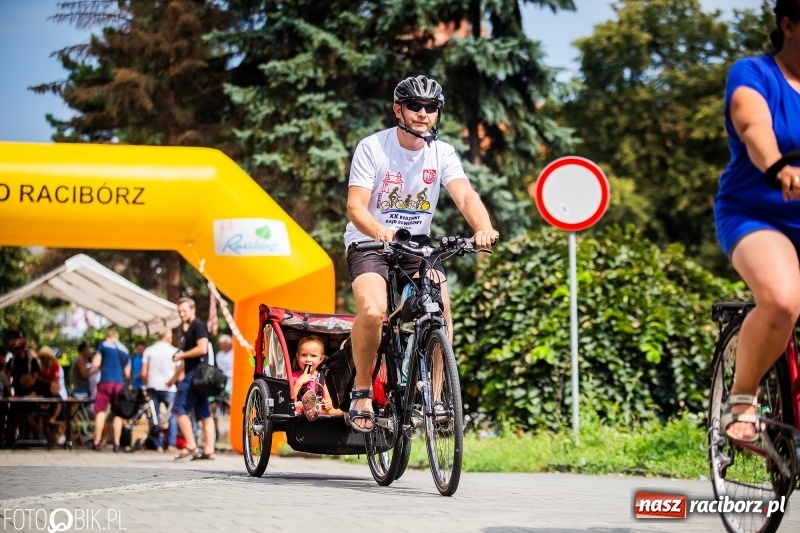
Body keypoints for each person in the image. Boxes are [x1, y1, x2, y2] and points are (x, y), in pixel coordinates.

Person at [344, 74, 499, 432]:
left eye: (430, 108)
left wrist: (482, 228)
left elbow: (464, 196)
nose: (423, 113)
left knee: (441, 310)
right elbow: (356, 207)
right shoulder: (373, 148)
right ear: (398, 109)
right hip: (370, 241)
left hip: (416, 245)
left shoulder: (442, 152)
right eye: (415, 105)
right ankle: (363, 390)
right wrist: (380, 230)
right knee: (373, 310)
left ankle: (436, 397)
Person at [713, 0, 800, 443]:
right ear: (788, 24)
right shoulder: (754, 74)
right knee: (783, 301)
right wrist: (779, 167)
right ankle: (742, 399)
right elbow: (755, 130)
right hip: (757, 213)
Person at [170, 297, 216, 460]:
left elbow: (202, 349)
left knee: (178, 408)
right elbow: (187, 359)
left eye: (184, 311)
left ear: (192, 310)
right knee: (204, 413)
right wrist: (173, 377)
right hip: (197, 375)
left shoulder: (198, 326)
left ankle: (190, 445)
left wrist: (182, 354)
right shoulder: (188, 329)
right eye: (179, 311)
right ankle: (209, 450)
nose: (181, 314)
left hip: (195, 375)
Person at [91, 330, 130, 452]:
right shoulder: (125, 350)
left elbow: (95, 363)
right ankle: (116, 444)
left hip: (105, 382)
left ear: (108, 336)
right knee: (117, 414)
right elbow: (127, 373)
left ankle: (97, 441)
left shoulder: (104, 345)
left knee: (101, 411)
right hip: (119, 384)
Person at [141, 327, 179, 452]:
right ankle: (171, 444)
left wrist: (147, 385)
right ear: (168, 337)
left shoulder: (149, 351)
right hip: (170, 388)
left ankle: (158, 445)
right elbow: (180, 371)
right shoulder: (174, 351)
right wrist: (174, 380)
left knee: (155, 416)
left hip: (153, 386)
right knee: (173, 416)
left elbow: (144, 373)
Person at [290, 335, 342, 421]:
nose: (308, 359)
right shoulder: (293, 377)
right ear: (297, 356)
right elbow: (289, 401)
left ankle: (346, 415)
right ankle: (309, 409)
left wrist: (328, 403)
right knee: (298, 406)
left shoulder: (323, 377)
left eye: (313, 356)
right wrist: (299, 383)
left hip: (319, 411)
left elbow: (328, 397)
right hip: (299, 412)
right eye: (304, 355)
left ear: (321, 359)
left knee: (339, 409)